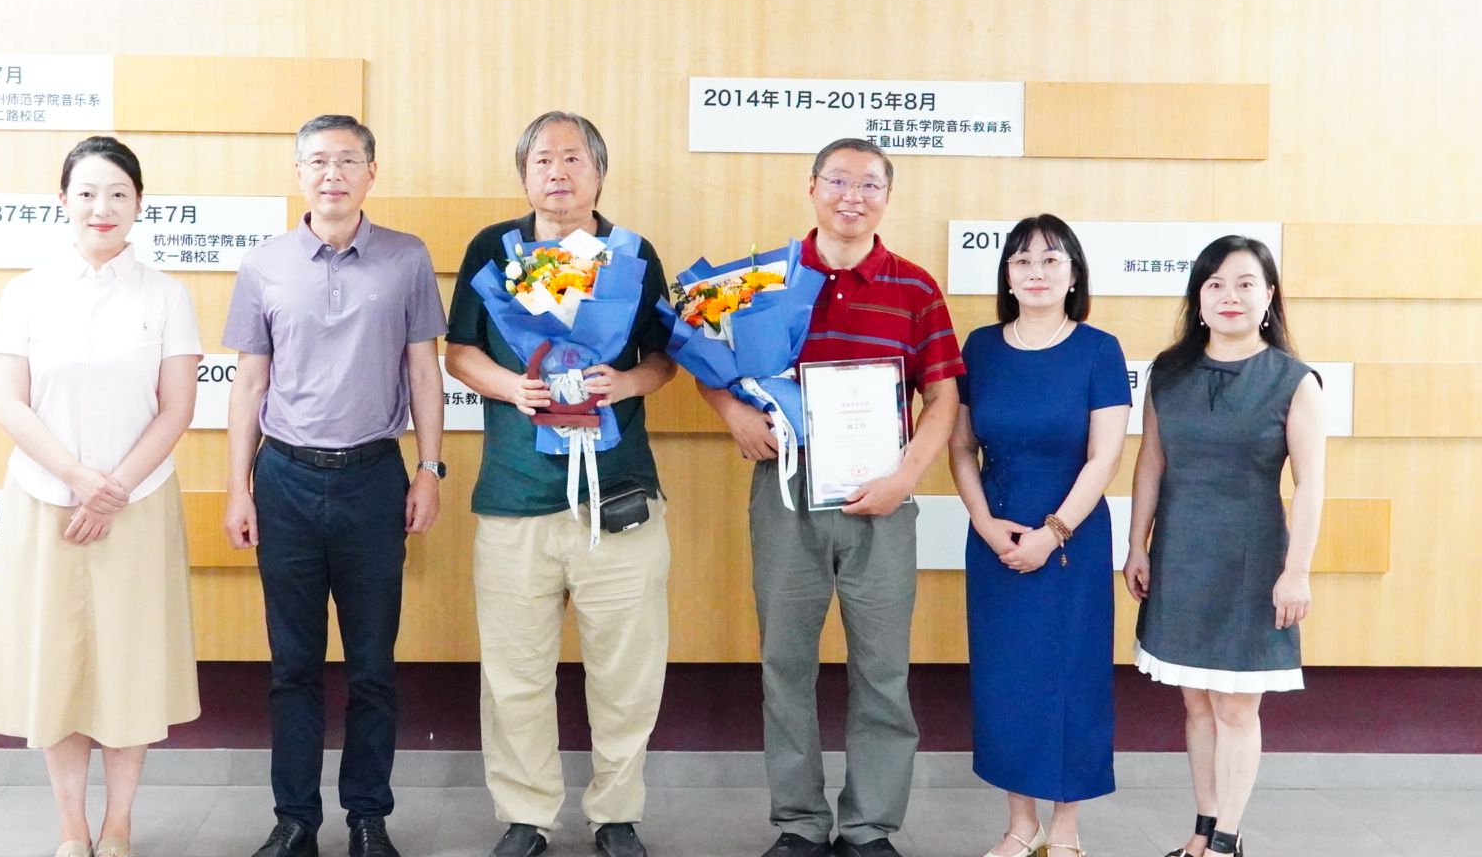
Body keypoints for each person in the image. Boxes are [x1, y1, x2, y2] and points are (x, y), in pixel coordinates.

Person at [699, 137, 963, 857]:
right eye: (839, 180)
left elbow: (943, 397)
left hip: (884, 496)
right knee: (786, 663)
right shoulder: (764, 280)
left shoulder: (915, 287)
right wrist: (733, 415)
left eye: (870, 184)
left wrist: (906, 477)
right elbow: (705, 356)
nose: (853, 196)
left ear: (887, 196)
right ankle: (799, 823)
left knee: (883, 669)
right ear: (812, 187)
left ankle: (871, 826)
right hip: (786, 490)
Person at [444, 111, 676, 857]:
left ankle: (617, 813)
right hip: (516, 496)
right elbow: (458, 352)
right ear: (524, 173)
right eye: (542, 159)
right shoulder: (494, 248)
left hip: (620, 495)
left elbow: (665, 357)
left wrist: (625, 382)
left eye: (573, 158)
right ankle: (526, 815)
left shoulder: (634, 254)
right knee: (514, 672)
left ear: (599, 172)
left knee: (627, 671)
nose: (557, 171)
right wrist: (512, 387)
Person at [222, 115, 448, 857]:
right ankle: (295, 819)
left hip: (373, 478)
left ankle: (368, 818)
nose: (333, 174)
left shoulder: (407, 257)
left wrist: (429, 468)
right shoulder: (264, 264)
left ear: (371, 173)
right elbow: (248, 381)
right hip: (284, 478)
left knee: (373, 666)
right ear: (298, 173)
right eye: (318, 161)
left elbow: (425, 372)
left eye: (348, 161)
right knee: (292, 666)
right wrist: (237, 487)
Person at [0, 136, 202, 857]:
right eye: (87, 193)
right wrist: (77, 478)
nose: (102, 207)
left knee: (129, 670)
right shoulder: (26, 292)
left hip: (138, 505)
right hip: (46, 501)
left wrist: (114, 489)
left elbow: (177, 407)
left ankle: (119, 825)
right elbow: (9, 402)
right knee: (59, 668)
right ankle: (72, 827)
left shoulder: (166, 295)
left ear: (139, 204)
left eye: (118, 194)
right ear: (63, 201)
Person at [1124, 235, 1326, 857]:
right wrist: (1137, 545)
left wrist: (1297, 572)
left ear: (1269, 296)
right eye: (1214, 284)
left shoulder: (1294, 381)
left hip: (1253, 563)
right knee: (1196, 702)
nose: (1228, 296)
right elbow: (1151, 462)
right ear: (1199, 297)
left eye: (1244, 283)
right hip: (1181, 555)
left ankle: (1227, 841)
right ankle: (1203, 829)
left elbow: (1311, 484)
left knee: (1237, 707)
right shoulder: (1168, 372)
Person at [946, 214, 1130, 857]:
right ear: (1006, 275)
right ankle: (1020, 826)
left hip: (1072, 539)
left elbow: (1104, 458)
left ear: (1074, 274)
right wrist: (982, 521)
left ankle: (1067, 829)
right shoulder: (980, 348)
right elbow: (961, 447)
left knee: (1072, 678)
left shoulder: (1099, 349)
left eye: (1052, 260)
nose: (1036, 272)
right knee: (1008, 680)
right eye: (1022, 261)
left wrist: (1053, 534)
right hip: (996, 533)